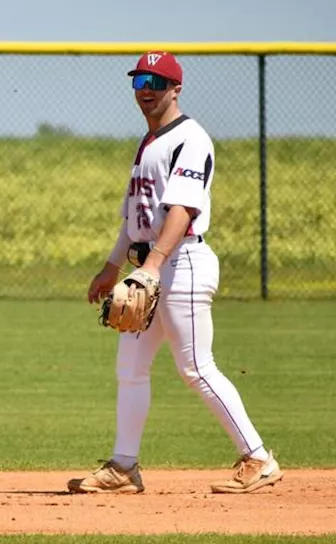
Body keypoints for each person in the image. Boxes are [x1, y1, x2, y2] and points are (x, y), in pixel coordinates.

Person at [73, 51, 279, 495]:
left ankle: (258, 457)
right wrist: (113, 266)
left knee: (196, 367)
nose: (146, 89)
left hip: (180, 263)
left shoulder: (191, 138)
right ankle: (124, 467)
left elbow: (183, 209)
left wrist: (151, 267)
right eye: (139, 80)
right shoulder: (149, 142)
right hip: (151, 267)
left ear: (176, 88)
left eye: (156, 80)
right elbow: (136, 215)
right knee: (130, 367)